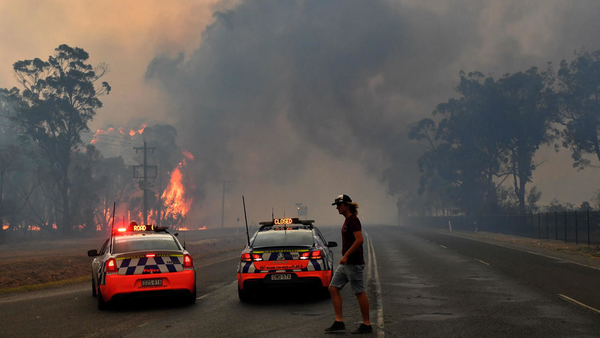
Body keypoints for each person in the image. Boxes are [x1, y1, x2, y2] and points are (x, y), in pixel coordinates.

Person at [324, 194, 372, 334]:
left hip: (354, 263)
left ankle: (366, 324)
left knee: (359, 292)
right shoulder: (347, 221)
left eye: (339, 205)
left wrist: (346, 255)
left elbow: (359, 240)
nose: (337, 208)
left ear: (346, 205)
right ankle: (339, 322)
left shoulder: (353, 221)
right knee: (333, 288)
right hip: (346, 265)